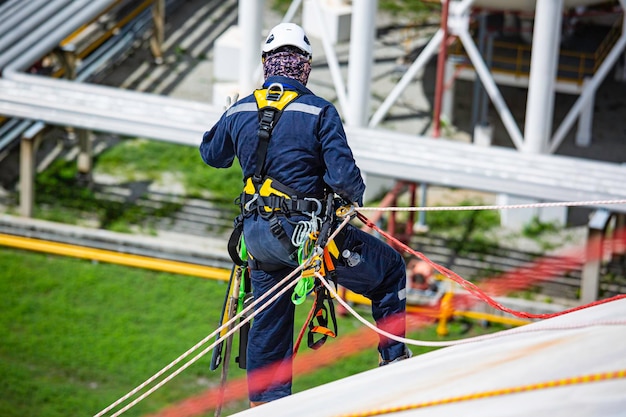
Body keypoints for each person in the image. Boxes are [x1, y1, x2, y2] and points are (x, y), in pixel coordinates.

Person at [200, 22, 410, 406]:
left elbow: (212, 154)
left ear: (267, 64)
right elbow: (347, 181)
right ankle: (393, 361)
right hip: (306, 240)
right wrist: (349, 198)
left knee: (269, 321)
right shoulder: (318, 111)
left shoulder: (243, 108)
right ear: (305, 66)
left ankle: (265, 404)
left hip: (259, 239)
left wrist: (229, 114)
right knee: (390, 270)